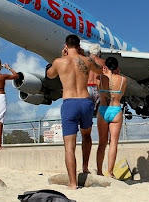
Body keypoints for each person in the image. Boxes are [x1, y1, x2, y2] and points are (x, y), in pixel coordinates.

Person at [46, 34, 103, 189]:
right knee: (86, 135)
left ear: (66, 45)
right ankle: (85, 167)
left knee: (69, 146)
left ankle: (73, 184)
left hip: (69, 102)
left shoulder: (59, 62)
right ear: (79, 46)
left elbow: (49, 75)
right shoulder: (87, 60)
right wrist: (85, 56)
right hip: (85, 101)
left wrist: (61, 56)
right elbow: (99, 70)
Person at [96, 57, 127, 178]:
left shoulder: (100, 78)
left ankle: (99, 171)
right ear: (117, 67)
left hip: (103, 109)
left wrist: (104, 73)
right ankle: (110, 172)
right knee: (113, 142)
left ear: (105, 67)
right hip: (116, 109)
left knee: (102, 143)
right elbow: (122, 93)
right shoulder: (123, 79)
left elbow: (100, 91)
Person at [87, 44, 105, 116]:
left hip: (87, 87)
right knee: (100, 115)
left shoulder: (85, 61)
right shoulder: (103, 62)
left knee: (86, 115)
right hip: (98, 88)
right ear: (99, 52)